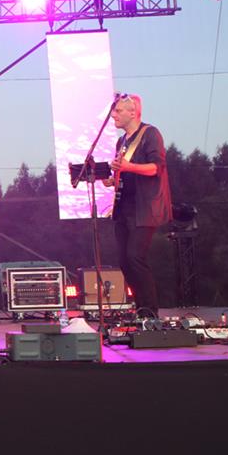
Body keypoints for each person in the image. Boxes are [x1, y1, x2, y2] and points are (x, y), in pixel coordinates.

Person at [101, 94, 171, 315]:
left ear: (133, 113)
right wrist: (112, 180)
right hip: (124, 208)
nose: (114, 115)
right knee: (124, 261)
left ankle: (149, 310)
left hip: (145, 208)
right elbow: (126, 172)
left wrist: (129, 167)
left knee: (135, 257)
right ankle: (140, 307)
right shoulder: (121, 141)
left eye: (118, 111)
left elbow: (156, 168)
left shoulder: (150, 134)